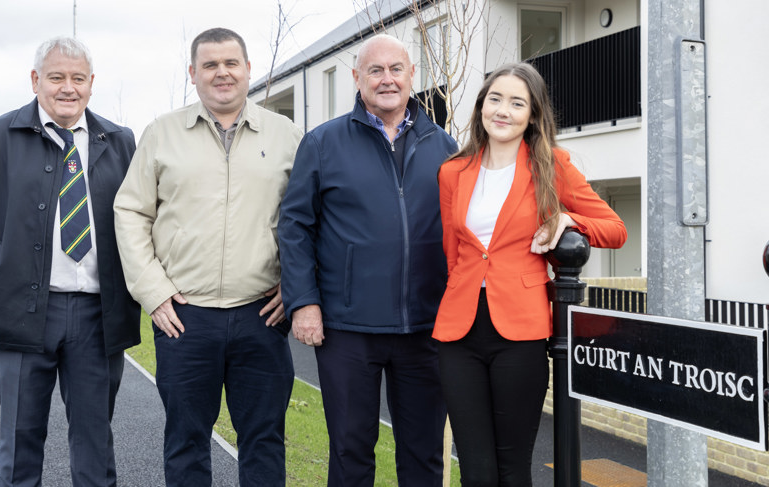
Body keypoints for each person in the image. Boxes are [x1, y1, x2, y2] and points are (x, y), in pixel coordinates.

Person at [113, 27, 302, 487]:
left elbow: (310, 221)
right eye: (210, 65)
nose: (222, 73)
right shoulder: (162, 133)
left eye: (231, 63)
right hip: (185, 318)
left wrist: (296, 286)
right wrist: (154, 293)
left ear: (248, 69)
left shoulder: (287, 136)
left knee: (263, 440)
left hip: (262, 316)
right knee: (186, 440)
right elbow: (130, 211)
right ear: (193, 73)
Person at [434, 62, 628, 486]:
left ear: (533, 114)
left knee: (512, 466)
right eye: (495, 99)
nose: (503, 110)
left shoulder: (552, 167)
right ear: (481, 106)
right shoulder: (453, 172)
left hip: (519, 332)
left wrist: (566, 218)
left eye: (517, 102)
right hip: (458, 333)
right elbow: (454, 253)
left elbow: (616, 230)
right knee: (475, 469)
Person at [278, 34, 458, 486]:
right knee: (351, 451)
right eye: (374, 71)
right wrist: (304, 302)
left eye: (396, 69)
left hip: (425, 328)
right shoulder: (323, 143)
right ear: (357, 79)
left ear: (412, 75)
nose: (387, 79)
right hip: (347, 329)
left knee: (423, 456)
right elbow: (295, 226)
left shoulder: (445, 146)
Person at [0, 37, 140, 487]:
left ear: (91, 85)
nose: (68, 88)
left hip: (96, 317)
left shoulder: (120, 142)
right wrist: (6, 268)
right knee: (19, 444)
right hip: (20, 316)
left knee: (95, 445)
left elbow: (136, 222)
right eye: (57, 77)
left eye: (78, 78)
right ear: (35, 80)